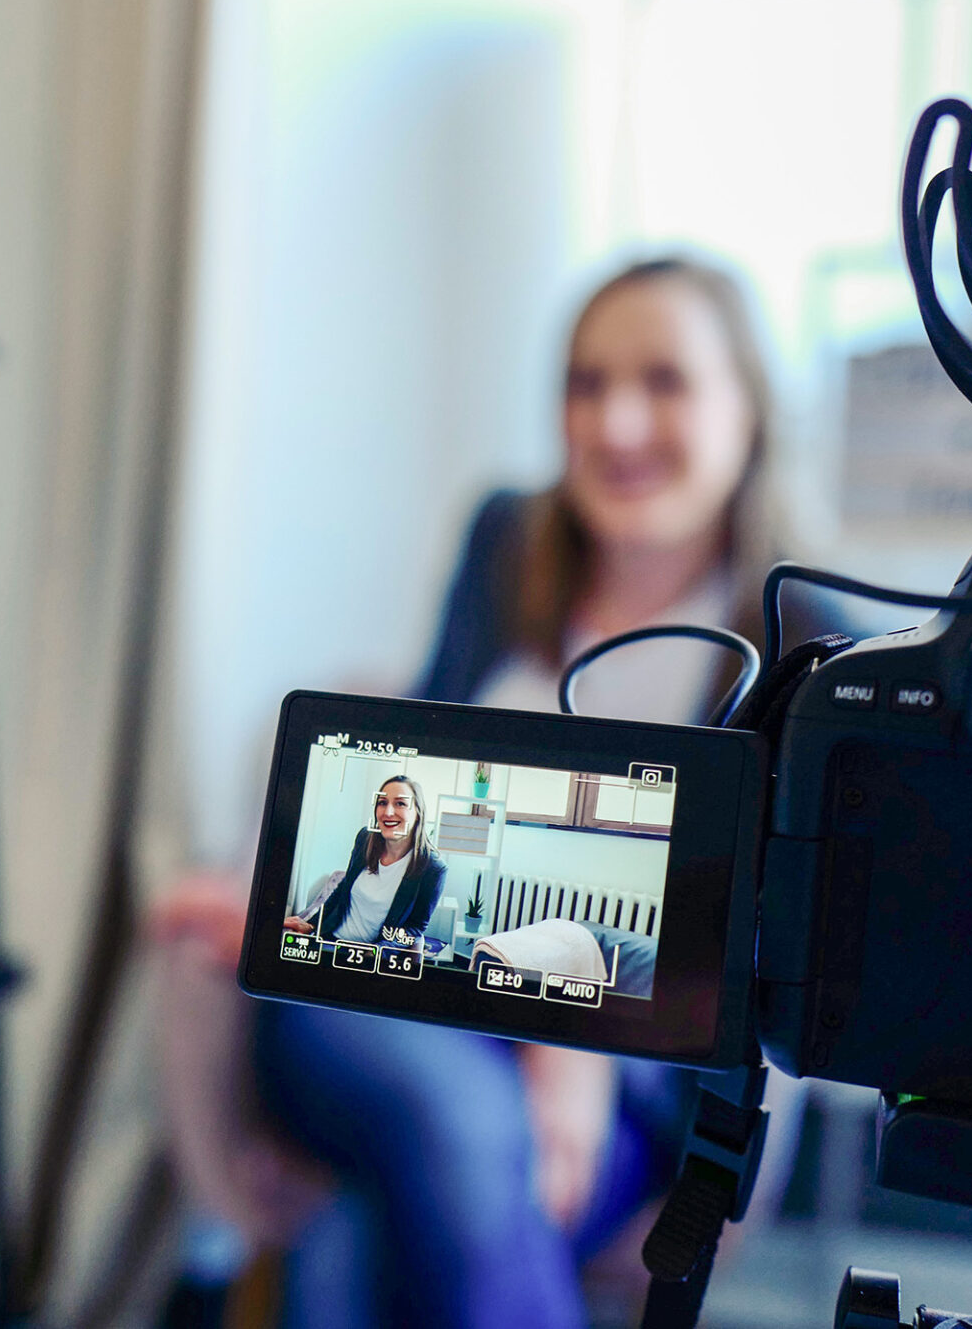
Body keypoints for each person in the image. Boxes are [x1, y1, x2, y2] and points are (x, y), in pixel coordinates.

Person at [155, 255, 823, 1329]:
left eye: (663, 381)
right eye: (584, 384)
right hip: (379, 1004)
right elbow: (402, 790)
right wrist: (279, 888)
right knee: (448, 1118)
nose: (614, 423)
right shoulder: (508, 541)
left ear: (748, 405)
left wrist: (573, 1035)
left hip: (623, 1090)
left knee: (380, 1216)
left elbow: (770, 947)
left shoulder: (805, 634)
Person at [283, 777, 446, 945]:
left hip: (371, 954)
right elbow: (342, 890)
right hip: (330, 940)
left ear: (418, 812)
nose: (388, 812)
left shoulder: (433, 869)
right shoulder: (365, 839)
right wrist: (312, 925)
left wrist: (378, 951)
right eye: (382, 802)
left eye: (400, 804)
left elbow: (415, 927)